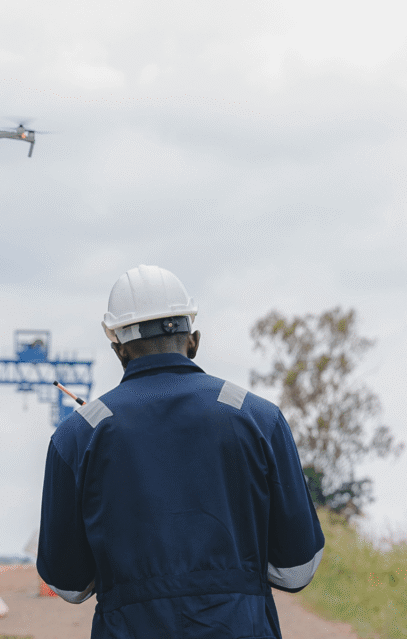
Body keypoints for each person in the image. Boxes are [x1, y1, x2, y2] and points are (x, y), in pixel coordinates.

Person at [38, 265, 325, 638]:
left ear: (118, 349)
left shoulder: (77, 436)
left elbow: (70, 584)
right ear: (194, 340)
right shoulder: (259, 418)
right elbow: (297, 569)